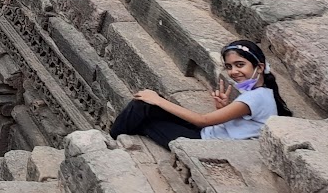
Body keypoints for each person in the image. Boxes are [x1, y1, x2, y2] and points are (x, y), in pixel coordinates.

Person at [110, 40, 290, 147]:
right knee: (144, 106)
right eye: (229, 67)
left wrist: (157, 100)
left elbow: (202, 120)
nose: (234, 71)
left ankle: (111, 139)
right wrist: (224, 109)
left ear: (259, 67)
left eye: (240, 64)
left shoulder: (256, 96)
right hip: (208, 132)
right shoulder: (261, 93)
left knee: (144, 116)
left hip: (204, 141)